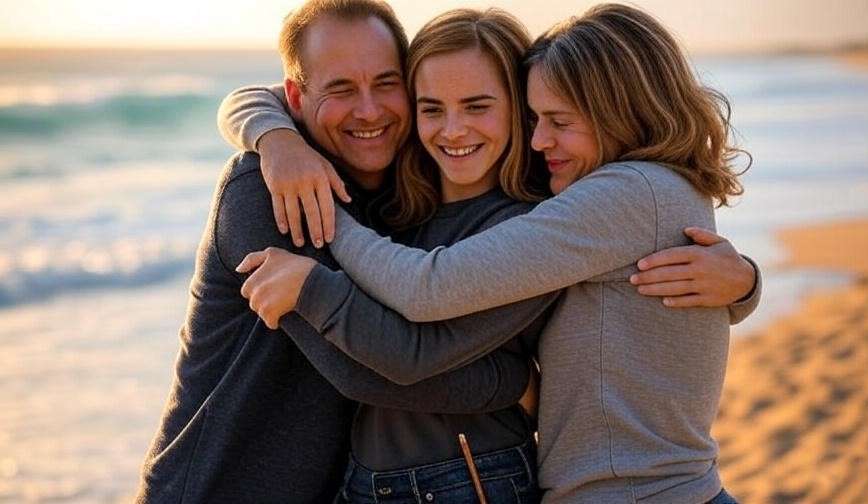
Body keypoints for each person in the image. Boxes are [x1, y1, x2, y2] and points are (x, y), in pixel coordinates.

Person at [234, 4, 755, 503]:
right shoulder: (609, 195)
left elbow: (426, 290)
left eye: (559, 121)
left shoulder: (624, 193)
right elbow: (272, 95)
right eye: (537, 118)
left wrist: (322, 217)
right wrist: (278, 138)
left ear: (620, 111)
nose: (540, 139)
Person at [136, 1, 545, 501]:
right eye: (341, 89)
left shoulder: (405, 188)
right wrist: (512, 380)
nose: (369, 110)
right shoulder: (268, 190)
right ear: (296, 97)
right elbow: (369, 371)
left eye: (386, 83)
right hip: (215, 488)